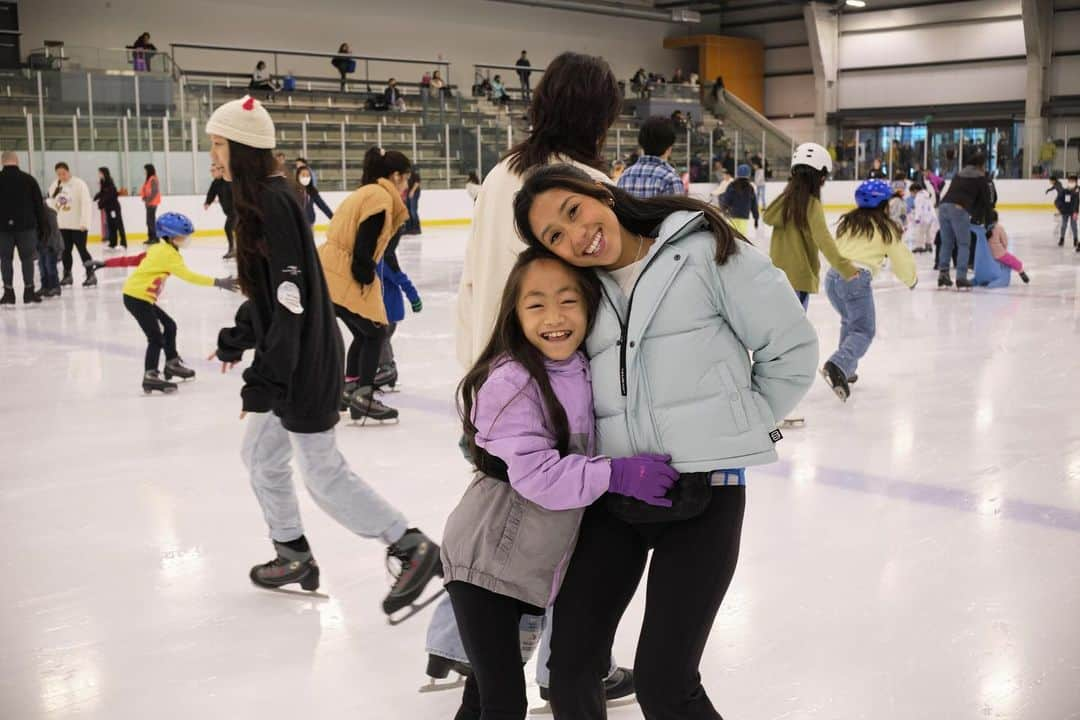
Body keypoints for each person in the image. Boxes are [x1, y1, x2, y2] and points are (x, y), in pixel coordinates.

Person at [511, 163, 818, 720]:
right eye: (555, 235)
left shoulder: (706, 251)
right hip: (615, 495)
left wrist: (734, 429)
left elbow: (791, 351)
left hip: (707, 495)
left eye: (574, 211)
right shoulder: (579, 290)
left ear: (601, 192)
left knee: (664, 682)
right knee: (571, 668)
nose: (576, 235)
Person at [443, 51, 634, 713]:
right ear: (601, 114)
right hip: (551, 382)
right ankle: (566, 666)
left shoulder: (502, 172)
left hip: (490, 376)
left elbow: (473, 281)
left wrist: (475, 382)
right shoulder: (580, 181)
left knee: (504, 531)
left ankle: (482, 651)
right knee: (557, 535)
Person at [204, 95, 443, 617]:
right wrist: (240, 335)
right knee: (261, 456)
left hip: (305, 361)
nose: (212, 157)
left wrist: (262, 380)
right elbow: (275, 293)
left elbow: (291, 300)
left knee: (321, 470)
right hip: (294, 353)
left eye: (218, 145)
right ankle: (291, 553)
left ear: (242, 148)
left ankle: (410, 545)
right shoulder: (262, 198)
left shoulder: (271, 200)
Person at [441, 248, 679, 720]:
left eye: (568, 301)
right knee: (504, 700)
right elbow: (538, 477)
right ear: (515, 312)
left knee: (486, 694)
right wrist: (619, 474)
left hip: (529, 568)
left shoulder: (587, 367)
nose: (554, 317)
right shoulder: (512, 380)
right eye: (536, 305)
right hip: (487, 561)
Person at [84, 212, 238, 393]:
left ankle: (171, 363)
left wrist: (105, 263)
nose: (186, 239)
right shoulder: (168, 255)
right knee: (155, 337)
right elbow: (189, 276)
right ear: (169, 236)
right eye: (182, 236)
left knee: (169, 325)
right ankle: (150, 375)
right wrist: (218, 282)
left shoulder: (159, 248)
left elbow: (133, 260)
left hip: (140, 297)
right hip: (137, 298)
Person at [320, 147, 412, 422]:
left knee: (364, 333)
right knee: (376, 332)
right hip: (343, 273)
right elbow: (364, 245)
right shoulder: (380, 198)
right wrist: (365, 277)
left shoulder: (366, 191)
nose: (407, 186)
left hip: (328, 270)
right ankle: (364, 395)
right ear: (395, 176)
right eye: (406, 179)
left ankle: (349, 389)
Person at [820, 180, 917, 402]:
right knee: (863, 331)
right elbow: (900, 258)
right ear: (884, 205)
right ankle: (838, 364)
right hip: (856, 278)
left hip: (833, 277)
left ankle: (847, 369)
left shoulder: (849, 222)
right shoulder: (885, 228)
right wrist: (911, 279)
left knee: (849, 320)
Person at [763, 142, 858, 310]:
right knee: (794, 333)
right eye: (824, 176)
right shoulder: (811, 205)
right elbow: (824, 240)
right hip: (797, 281)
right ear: (818, 177)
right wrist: (847, 269)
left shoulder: (783, 203)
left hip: (776, 279)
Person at [936, 152, 993, 289]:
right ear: (981, 165)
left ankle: (943, 275)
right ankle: (961, 277)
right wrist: (989, 223)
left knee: (947, 243)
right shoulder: (980, 178)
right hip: (958, 208)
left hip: (943, 207)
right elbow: (986, 202)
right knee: (963, 244)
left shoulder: (959, 174)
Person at [374, 239, 422, 391]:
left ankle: (387, 368)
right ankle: (388, 369)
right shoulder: (375, 258)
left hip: (388, 311)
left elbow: (402, 280)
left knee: (381, 338)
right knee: (380, 339)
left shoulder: (386, 259)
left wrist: (414, 299)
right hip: (379, 310)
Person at [0, 151, 47, 305]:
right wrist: (44, 228)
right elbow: (39, 207)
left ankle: (8, 293)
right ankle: (28, 292)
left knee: (5, 259)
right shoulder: (29, 180)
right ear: (17, 161)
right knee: (27, 259)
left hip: (2, 230)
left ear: (2, 162)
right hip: (26, 228)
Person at [47, 162, 95, 287]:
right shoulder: (55, 185)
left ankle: (91, 274)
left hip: (78, 226)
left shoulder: (79, 184)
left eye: (63, 173)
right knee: (65, 251)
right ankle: (67, 275)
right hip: (63, 225)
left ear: (68, 172)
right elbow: (52, 203)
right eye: (59, 174)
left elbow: (86, 203)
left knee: (82, 250)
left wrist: (84, 222)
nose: (61, 176)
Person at [616, 116, 685, 199]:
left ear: (641, 142)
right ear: (670, 146)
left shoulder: (625, 176)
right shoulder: (671, 179)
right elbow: (679, 211)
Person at [985, 210, 1030, 284]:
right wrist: (1004, 249)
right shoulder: (999, 227)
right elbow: (1005, 241)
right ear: (997, 219)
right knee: (1014, 261)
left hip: (988, 255)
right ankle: (1021, 272)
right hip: (999, 253)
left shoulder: (984, 228)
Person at [716, 163, 759, 236]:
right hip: (744, 216)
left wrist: (724, 209)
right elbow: (754, 204)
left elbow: (726, 199)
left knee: (733, 236)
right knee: (742, 237)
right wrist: (756, 218)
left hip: (732, 214)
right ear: (748, 174)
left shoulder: (732, 185)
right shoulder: (750, 188)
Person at [204, 164, 235, 259]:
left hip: (237, 211)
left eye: (213, 171)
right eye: (211, 170)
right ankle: (235, 249)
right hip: (229, 212)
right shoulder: (216, 182)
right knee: (233, 229)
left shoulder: (230, 181)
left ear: (221, 170)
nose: (211, 173)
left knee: (228, 228)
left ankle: (233, 249)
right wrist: (208, 202)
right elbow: (211, 192)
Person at [94, 167, 126, 250]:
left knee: (118, 224)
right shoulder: (102, 181)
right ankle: (113, 243)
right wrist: (96, 197)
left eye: (100, 173)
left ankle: (123, 243)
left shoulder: (109, 181)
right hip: (108, 207)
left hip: (114, 207)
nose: (99, 174)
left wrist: (101, 203)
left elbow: (111, 194)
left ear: (104, 173)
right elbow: (102, 192)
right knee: (111, 225)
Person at [38, 197, 63, 298]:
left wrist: (53, 246)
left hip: (51, 245)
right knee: (42, 267)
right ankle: (45, 287)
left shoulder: (50, 213)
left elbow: (54, 232)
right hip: (41, 244)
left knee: (50, 266)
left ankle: (55, 287)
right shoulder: (36, 214)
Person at [908, 180, 937, 254]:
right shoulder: (925, 194)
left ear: (915, 191)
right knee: (928, 232)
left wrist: (917, 218)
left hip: (924, 217)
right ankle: (928, 245)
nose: (911, 195)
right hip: (930, 216)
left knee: (920, 232)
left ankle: (919, 246)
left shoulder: (918, 197)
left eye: (911, 193)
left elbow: (919, 208)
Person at [140, 164, 161, 245]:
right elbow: (147, 190)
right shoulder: (149, 179)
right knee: (149, 221)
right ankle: (151, 238)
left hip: (152, 203)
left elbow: (155, 191)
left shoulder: (153, 179)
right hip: (149, 203)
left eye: (145, 170)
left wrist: (148, 200)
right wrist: (145, 198)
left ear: (148, 170)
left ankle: (154, 238)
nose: (144, 171)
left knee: (150, 221)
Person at [1057, 175, 1079, 249]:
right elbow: (1059, 200)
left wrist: (1076, 211)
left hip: (1074, 212)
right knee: (1063, 225)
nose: (1070, 182)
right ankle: (1062, 238)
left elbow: (1076, 201)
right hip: (1065, 211)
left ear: (1076, 182)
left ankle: (1075, 239)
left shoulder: (1077, 190)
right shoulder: (1065, 190)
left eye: (1072, 181)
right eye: (1069, 181)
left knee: (1074, 226)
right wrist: (1060, 209)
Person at [404, 171, 422, 235]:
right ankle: (409, 228)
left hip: (414, 192)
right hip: (407, 192)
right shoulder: (403, 172)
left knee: (413, 210)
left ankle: (416, 228)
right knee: (407, 211)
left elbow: (417, 182)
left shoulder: (413, 171)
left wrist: (412, 191)